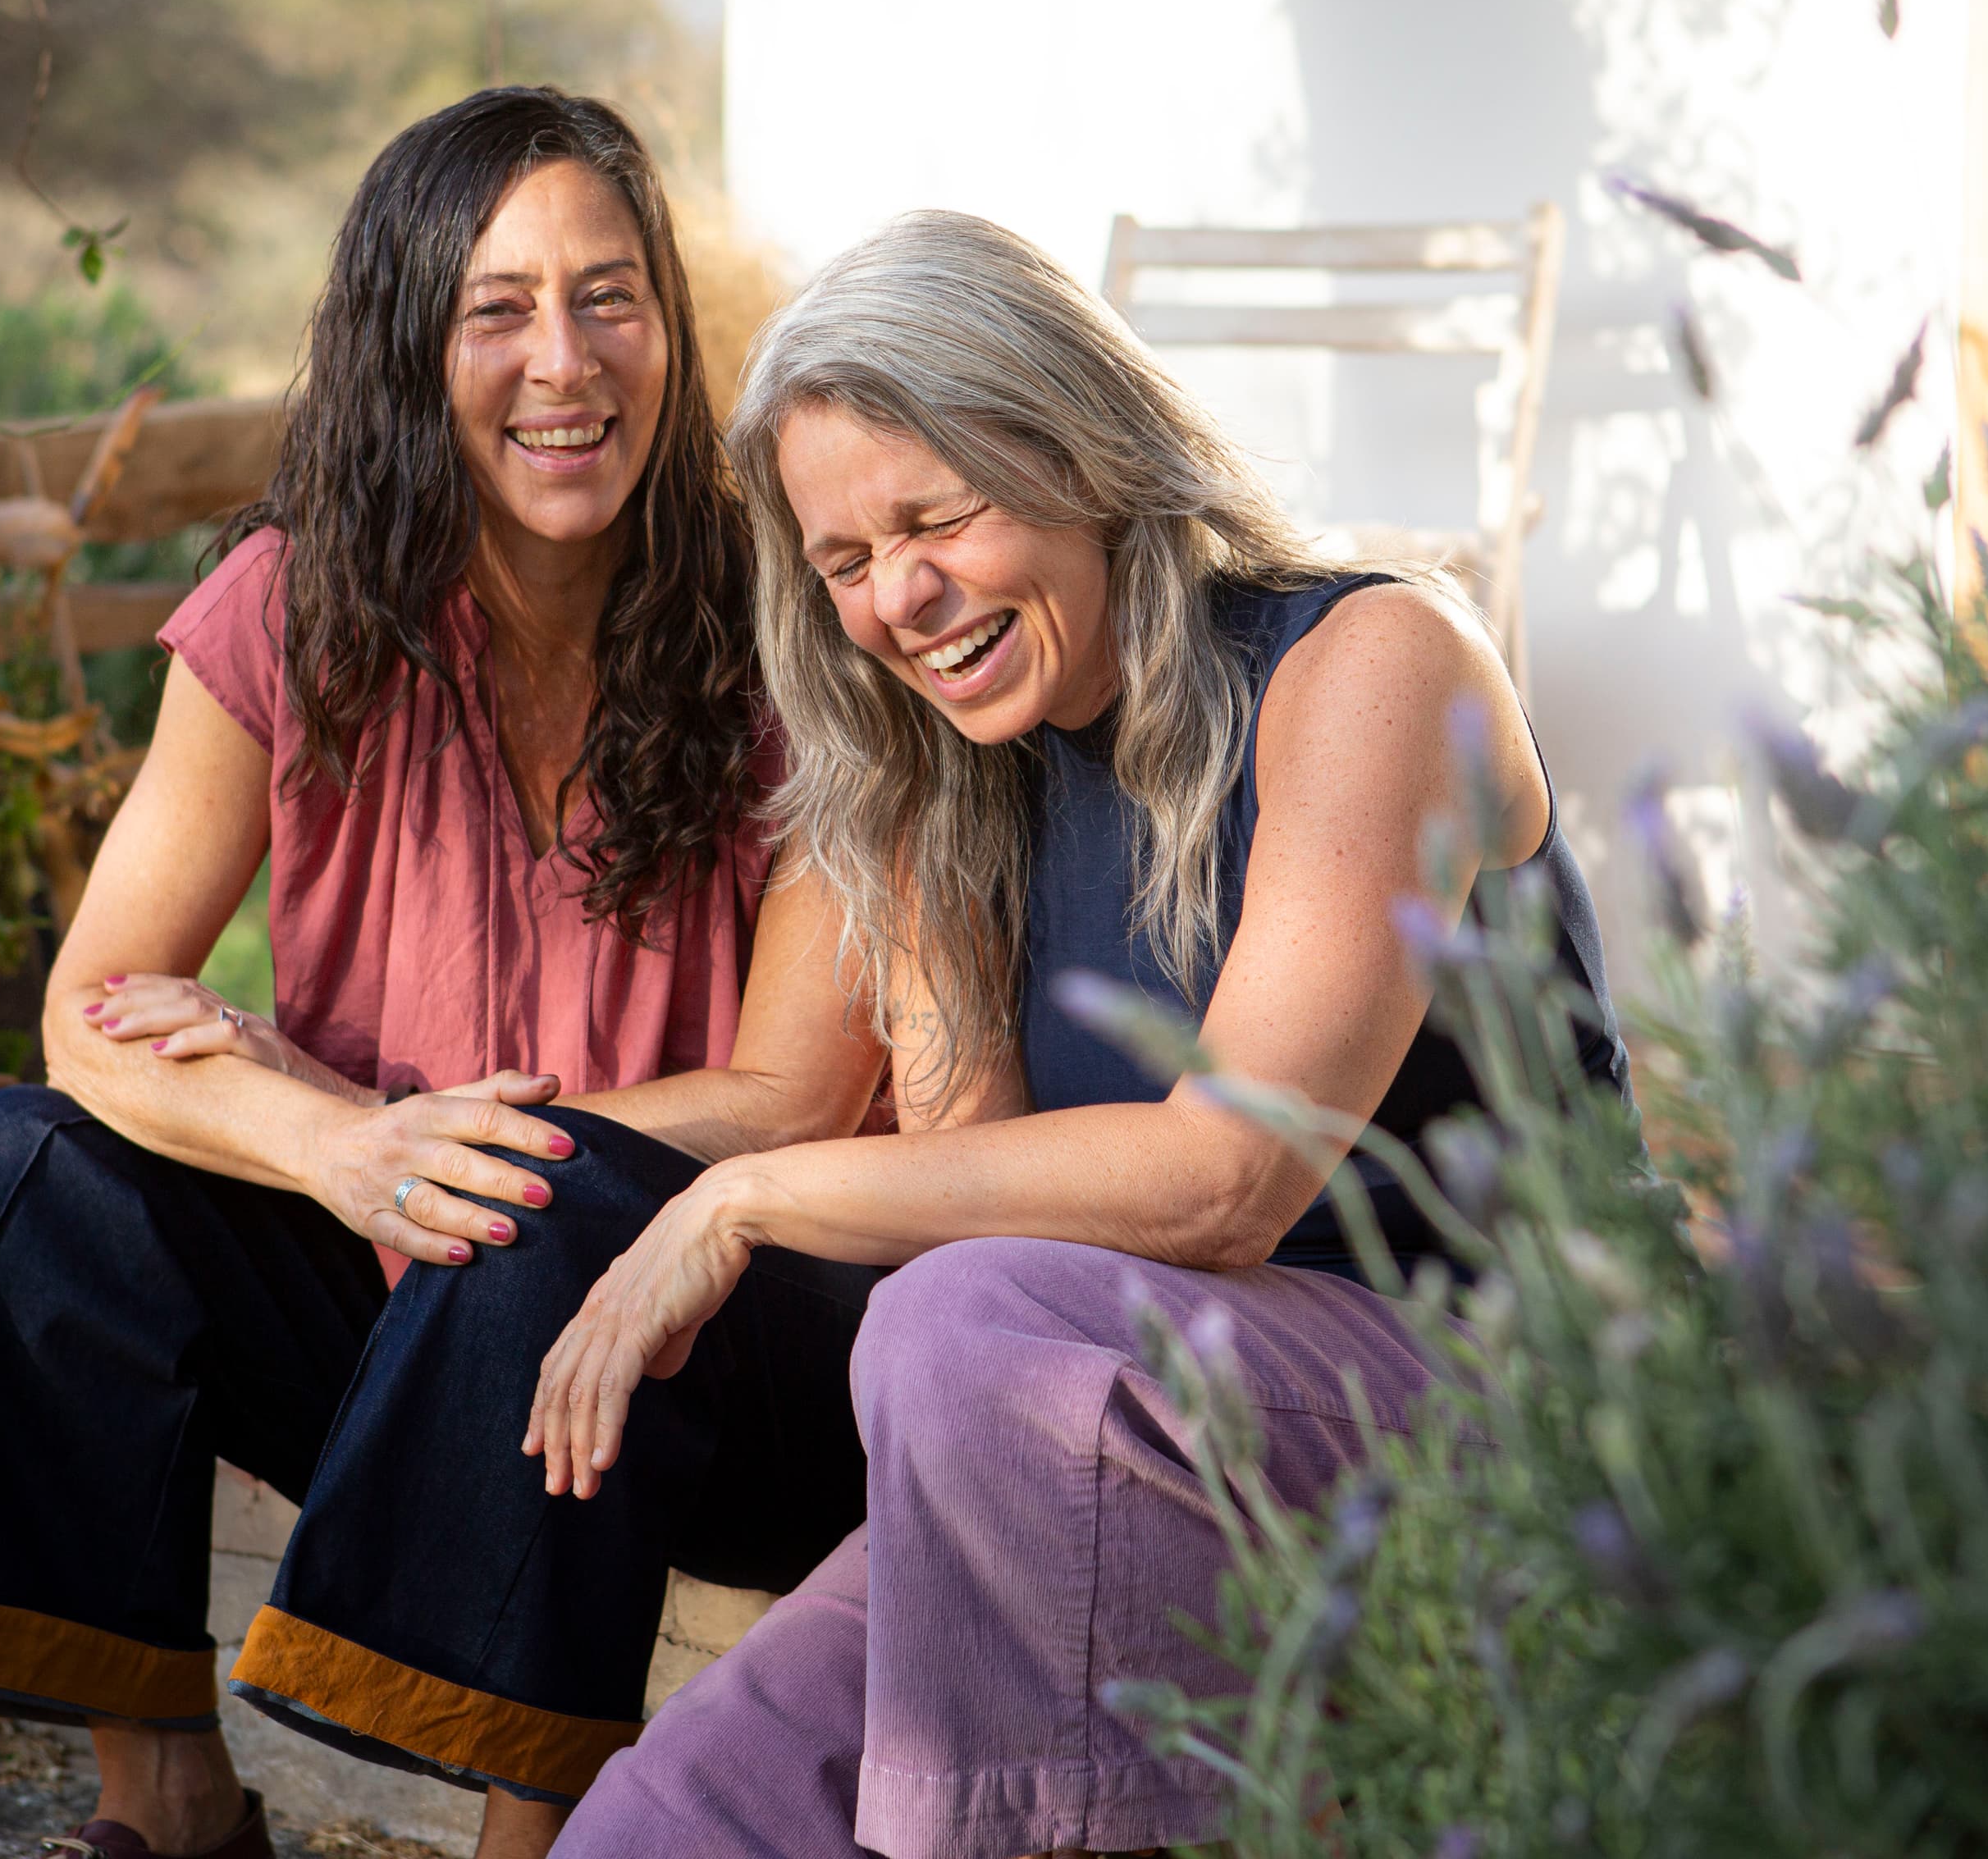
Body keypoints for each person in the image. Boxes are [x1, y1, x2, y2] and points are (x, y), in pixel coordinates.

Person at [503, 209, 1633, 1859]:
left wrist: (744, 1194)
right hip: (1149, 1429)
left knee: (968, 1324)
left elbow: (1225, 1177)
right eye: (842, 562)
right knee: (669, 1824)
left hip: (1513, 1417)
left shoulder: (1373, 661)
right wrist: (924, 879)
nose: (898, 595)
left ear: (1082, 448)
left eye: (937, 515)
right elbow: (984, 1194)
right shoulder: (966, 775)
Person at [0, 89, 884, 1859]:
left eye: (609, 295)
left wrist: (419, 1144)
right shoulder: (292, 601)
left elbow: (795, 1093)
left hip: (732, 1340)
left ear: (669, 324)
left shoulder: (789, 620)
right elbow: (92, 1007)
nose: (563, 360)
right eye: (498, 307)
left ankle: (532, 1840)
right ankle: (167, 1805)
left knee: (554, 1194)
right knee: (19, 1167)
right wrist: (338, 1146)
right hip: (413, 1265)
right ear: (411, 341)